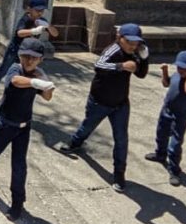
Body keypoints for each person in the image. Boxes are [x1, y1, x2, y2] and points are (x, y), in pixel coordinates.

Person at [0, 38, 55, 220]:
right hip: (5, 124)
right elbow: (15, 81)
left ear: (40, 60)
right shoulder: (15, 69)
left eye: (34, 58)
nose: (29, 60)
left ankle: (17, 202)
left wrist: (45, 81)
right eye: (25, 56)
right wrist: (35, 83)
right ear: (19, 55)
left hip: (24, 126)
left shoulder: (38, 74)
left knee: (19, 165)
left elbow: (47, 97)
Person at [58, 23, 149, 192]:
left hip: (120, 104)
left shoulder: (136, 52)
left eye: (136, 42)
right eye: (128, 41)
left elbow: (141, 74)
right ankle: (75, 142)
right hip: (99, 102)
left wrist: (144, 58)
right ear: (119, 38)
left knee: (121, 139)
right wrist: (120, 66)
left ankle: (119, 174)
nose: (132, 45)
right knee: (88, 125)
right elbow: (99, 66)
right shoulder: (112, 50)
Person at [0, 0, 58, 108]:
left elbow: (55, 34)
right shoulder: (25, 19)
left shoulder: (42, 21)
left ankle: (11, 101)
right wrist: (33, 31)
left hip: (27, 54)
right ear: (29, 9)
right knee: (2, 73)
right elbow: (19, 33)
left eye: (42, 10)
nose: (40, 13)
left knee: (23, 76)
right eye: (37, 10)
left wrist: (48, 26)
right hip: (14, 51)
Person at [145, 50, 186, 187]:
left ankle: (174, 170)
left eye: (184, 68)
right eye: (179, 67)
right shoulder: (176, 75)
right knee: (161, 134)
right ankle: (160, 154)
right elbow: (166, 84)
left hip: (180, 115)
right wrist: (165, 71)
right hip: (166, 110)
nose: (181, 70)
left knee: (175, 144)